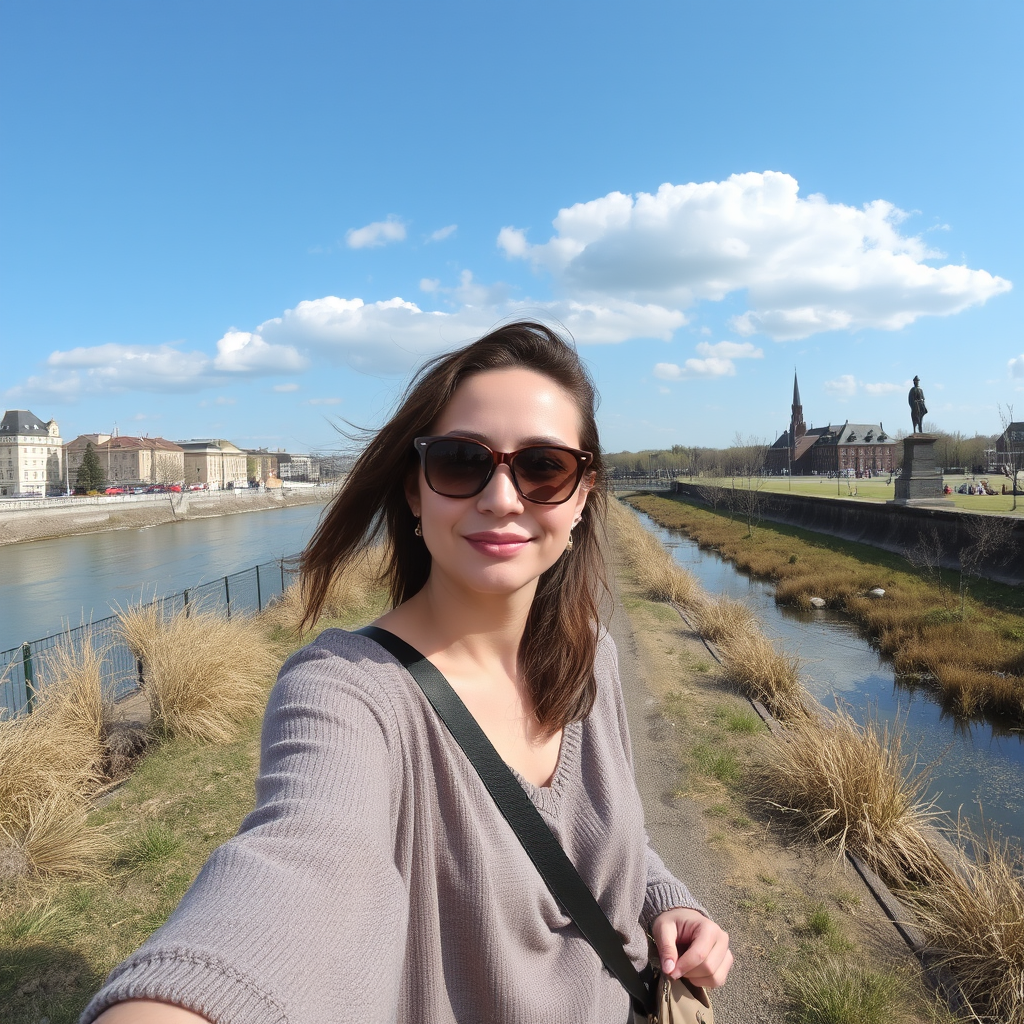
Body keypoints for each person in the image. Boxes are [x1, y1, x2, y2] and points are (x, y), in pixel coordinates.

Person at [83, 322, 732, 1024]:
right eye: (460, 462)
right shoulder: (348, 693)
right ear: (416, 491)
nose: (502, 498)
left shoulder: (591, 654)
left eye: (543, 467)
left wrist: (665, 900)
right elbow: (307, 865)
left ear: (581, 495)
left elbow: (603, 831)